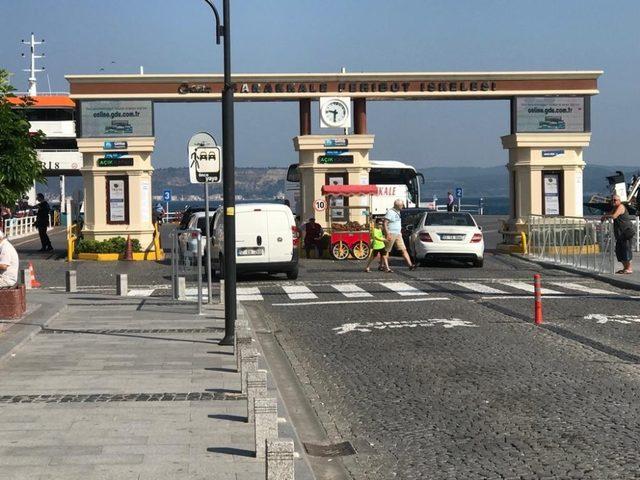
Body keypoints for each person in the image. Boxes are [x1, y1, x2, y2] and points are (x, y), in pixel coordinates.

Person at [602, 194, 634, 274]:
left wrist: (605, 216)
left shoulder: (621, 207)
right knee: (619, 251)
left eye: (615, 200)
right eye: (612, 200)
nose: (613, 201)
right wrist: (605, 216)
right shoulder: (615, 208)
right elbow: (610, 213)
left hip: (625, 232)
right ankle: (625, 268)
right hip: (620, 234)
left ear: (619, 201)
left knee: (626, 250)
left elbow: (614, 216)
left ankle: (629, 268)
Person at [383, 199, 417, 271]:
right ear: (397, 206)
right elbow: (385, 223)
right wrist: (387, 233)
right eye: (401, 205)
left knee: (403, 249)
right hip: (391, 233)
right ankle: (385, 266)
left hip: (398, 233)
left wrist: (400, 232)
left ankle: (410, 265)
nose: (402, 206)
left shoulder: (398, 212)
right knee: (387, 250)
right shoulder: (390, 212)